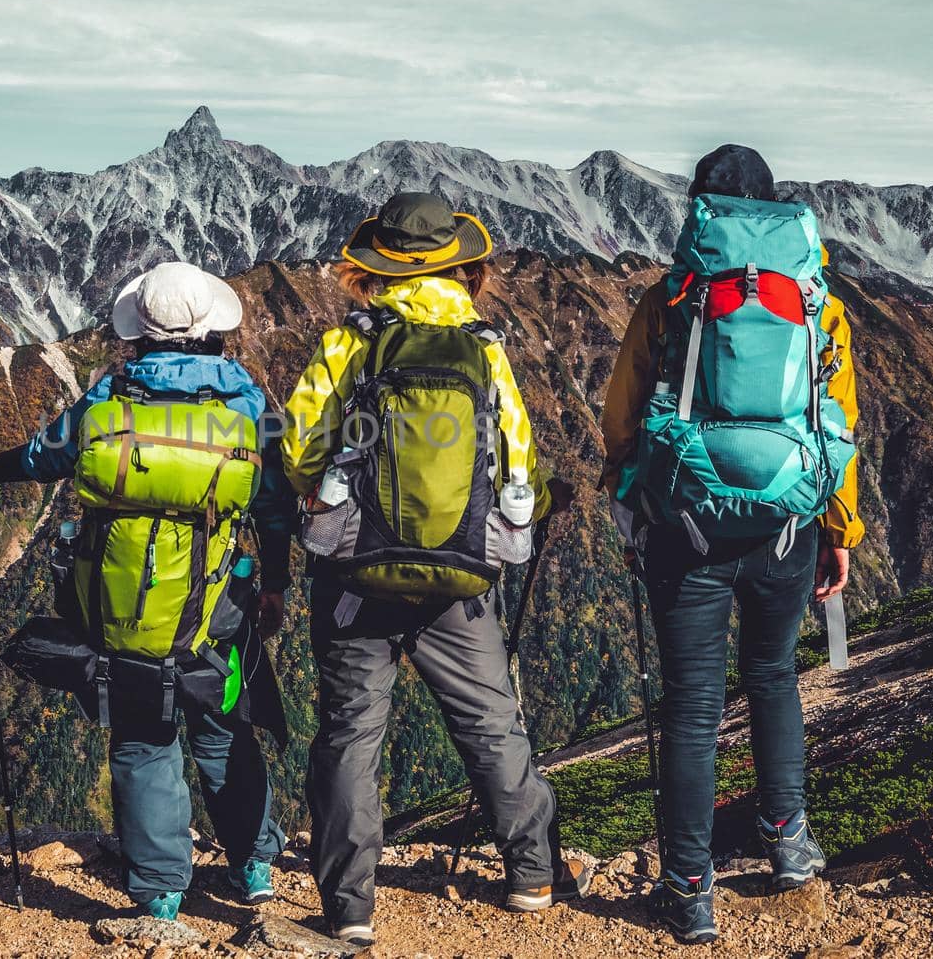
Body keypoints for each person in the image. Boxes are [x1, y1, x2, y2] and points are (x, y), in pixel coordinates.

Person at [280, 191, 588, 948]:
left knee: (353, 734)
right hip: (461, 576)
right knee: (490, 722)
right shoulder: (483, 346)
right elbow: (519, 461)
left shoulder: (350, 341)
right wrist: (546, 498)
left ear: (378, 264)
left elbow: (297, 450)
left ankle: (350, 907)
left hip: (358, 570)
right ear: (461, 262)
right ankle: (532, 874)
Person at [0, 260, 291, 922]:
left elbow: (37, 458)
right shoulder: (247, 409)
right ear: (214, 333)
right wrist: (273, 583)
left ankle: (161, 893)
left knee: (142, 739)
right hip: (213, 615)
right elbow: (274, 508)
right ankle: (253, 865)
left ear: (141, 334)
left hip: (122, 612)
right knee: (223, 729)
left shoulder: (106, 404)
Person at [602, 145, 862, 945]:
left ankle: (688, 888)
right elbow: (836, 417)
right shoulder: (817, 299)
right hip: (786, 526)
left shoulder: (671, 297)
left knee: (692, 709)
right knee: (774, 676)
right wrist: (839, 529)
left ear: (701, 210)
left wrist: (629, 503)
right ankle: (786, 841)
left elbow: (621, 418)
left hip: (688, 529)